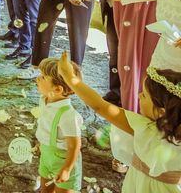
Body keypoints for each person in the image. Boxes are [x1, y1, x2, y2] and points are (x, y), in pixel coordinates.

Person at [57, 51, 181, 192]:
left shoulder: (144, 127)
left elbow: (100, 106)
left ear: (161, 111)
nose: (139, 95)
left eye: (145, 95)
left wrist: (69, 76)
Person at [35, 58, 83, 193]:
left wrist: (66, 169)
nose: (38, 78)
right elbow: (46, 126)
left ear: (57, 89)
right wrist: (41, 144)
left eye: (43, 77)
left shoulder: (68, 116)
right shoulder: (44, 100)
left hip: (63, 161)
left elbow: (74, 145)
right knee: (45, 189)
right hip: (46, 155)